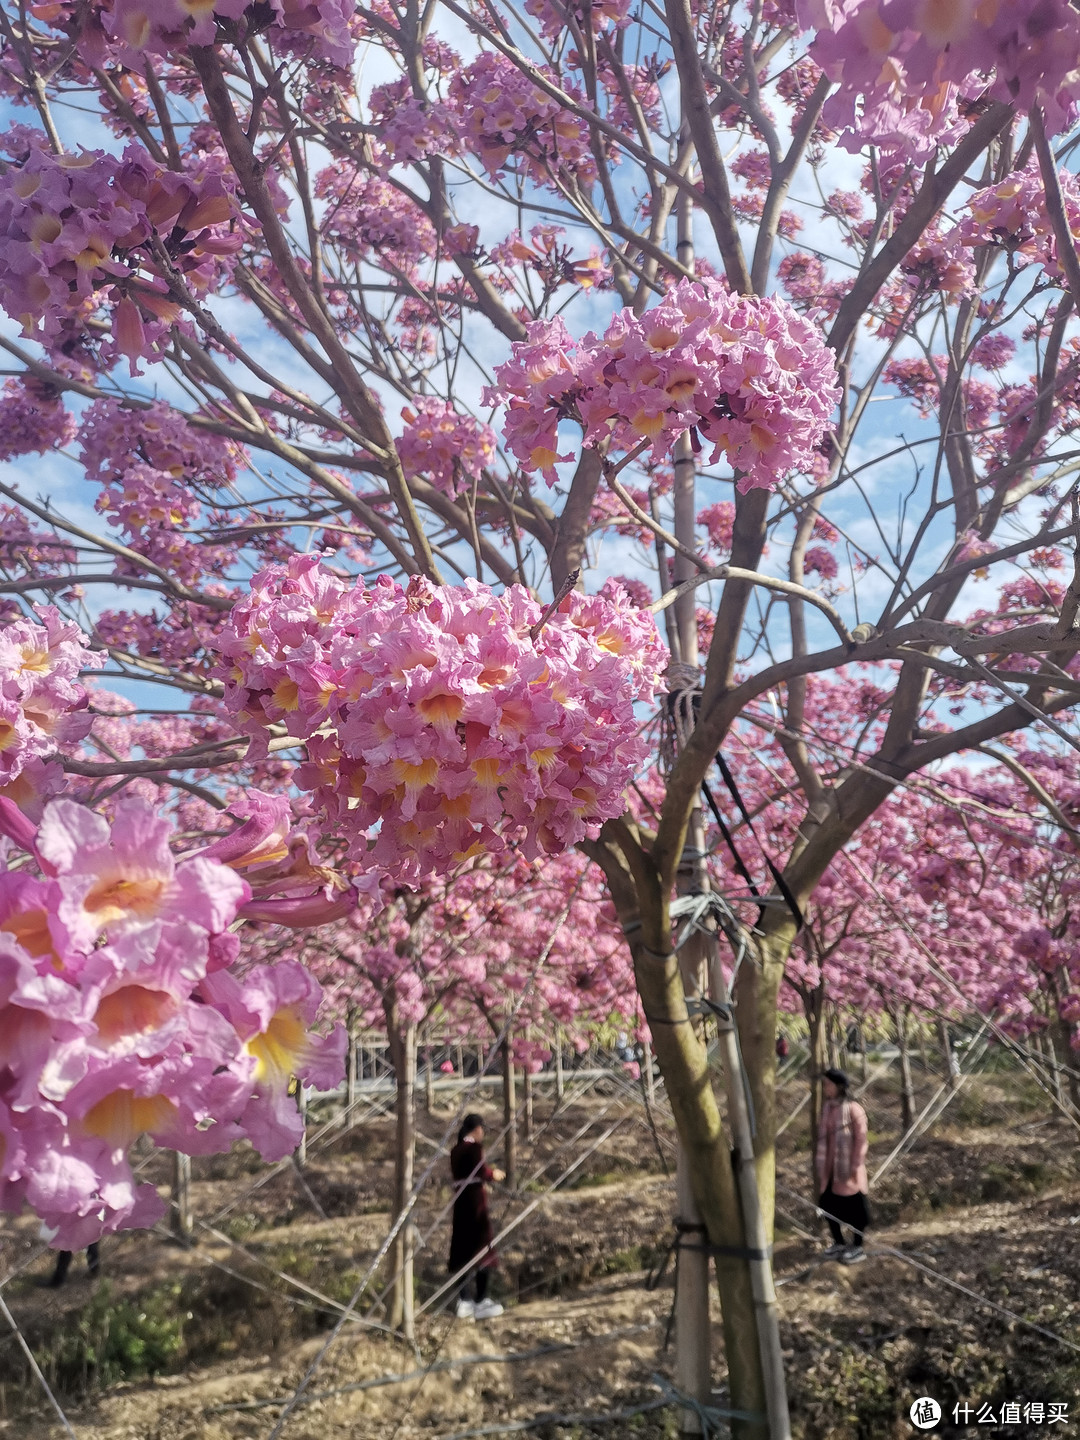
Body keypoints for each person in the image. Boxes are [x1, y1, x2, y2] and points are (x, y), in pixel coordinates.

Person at [449, 1114, 505, 1320]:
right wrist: (494, 1174)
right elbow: (481, 1171)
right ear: (477, 1129)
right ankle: (481, 1300)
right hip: (475, 1204)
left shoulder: (455, 1150)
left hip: (460, 1204)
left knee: (462, 1249)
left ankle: (464, 1300)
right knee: (483, 1248)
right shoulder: (474, 1149)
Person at [815, 1068, 869, 1266]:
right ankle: (838, 1242)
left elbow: (861, 1140)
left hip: (848, 1169)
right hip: (830, 1170)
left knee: (855, 1209)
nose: (825, 1088)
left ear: (839, 1086)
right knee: (828, 1206)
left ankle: (857, 1245)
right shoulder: (828, 1108)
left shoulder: (854, 1109)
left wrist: (855, 1165)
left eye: (828, 1084)